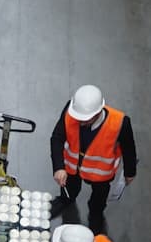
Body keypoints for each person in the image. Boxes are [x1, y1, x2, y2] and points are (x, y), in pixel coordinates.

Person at [49, 84, 137, 230]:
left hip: (100, 174)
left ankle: (96, 214)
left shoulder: (120, 123)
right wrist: (59, 167)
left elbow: (129, 148)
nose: (80, 122)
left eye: (85, 119)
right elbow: (57, 138)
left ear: (98, 112)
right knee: (70, 189)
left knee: (99, 198)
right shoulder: (71, 110)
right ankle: (66, 200)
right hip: (73, 168)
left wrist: (130, 172)